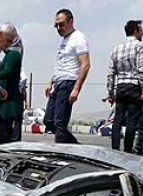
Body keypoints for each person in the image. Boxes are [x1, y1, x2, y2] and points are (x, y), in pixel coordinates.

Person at [44, 8, 91, 144]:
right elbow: (61, 64)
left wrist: (76, 88)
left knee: (60, 122)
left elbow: (85, 65)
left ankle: (62, 153)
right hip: (58, 83)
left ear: (71, 21)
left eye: (62, 24)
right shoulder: (63, 41)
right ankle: (76, 147)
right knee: (49, 120)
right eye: (56, 25)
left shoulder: (79, 39)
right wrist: (51, 81)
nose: (59, 28)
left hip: (68, 82)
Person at [104, 20, 143, 153]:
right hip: (134, 86)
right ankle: (127, 150)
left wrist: (111, 92)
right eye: (141, 30)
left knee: (118, 119)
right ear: (135, 31)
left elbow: (111, 73)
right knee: (131, 121)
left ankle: (115, 149)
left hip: (120, 86)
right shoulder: (140, 46)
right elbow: (141, 69)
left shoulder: (116, 49)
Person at [0, 35, 24, 143]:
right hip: (6, 95)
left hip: (9, 96)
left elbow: (8, 72)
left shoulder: (13, 55)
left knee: (6, 127)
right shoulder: (10, 55)